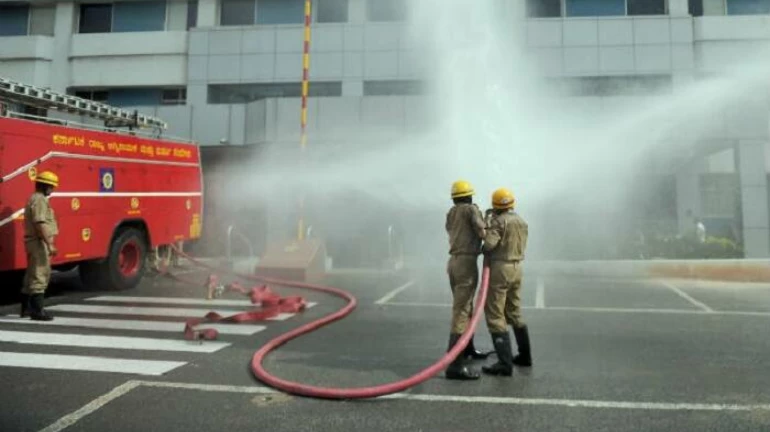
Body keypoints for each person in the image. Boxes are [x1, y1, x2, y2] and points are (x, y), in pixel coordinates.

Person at [481, 187, 531, 376]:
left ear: (495, 205)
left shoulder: (499, 222)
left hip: (501, 268)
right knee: (514, 311)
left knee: (495, 314)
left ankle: (504, 363)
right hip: (517, 267)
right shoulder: (521, 221)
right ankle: (525, 356)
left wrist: (487, 225)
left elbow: (488, 246)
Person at [444, 179, 489, 380]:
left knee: (467, 307)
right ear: (469, 195)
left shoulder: (451, 213)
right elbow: (482, 231)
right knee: (462, 311)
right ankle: (455, 364)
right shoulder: (471, 210)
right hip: (466, 264)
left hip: (453, 263)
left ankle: (468, 349)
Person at [21, 170, 59, 321]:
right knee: (40, 275)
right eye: (51, 186)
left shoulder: (34, 198)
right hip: (39, 242)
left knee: (30, 275)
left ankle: (26, 309)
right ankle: (37, 311)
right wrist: (49, 244)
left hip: (33, 241)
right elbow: (40, 223)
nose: (53, 189)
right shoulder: (40, 200)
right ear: (45, 186)